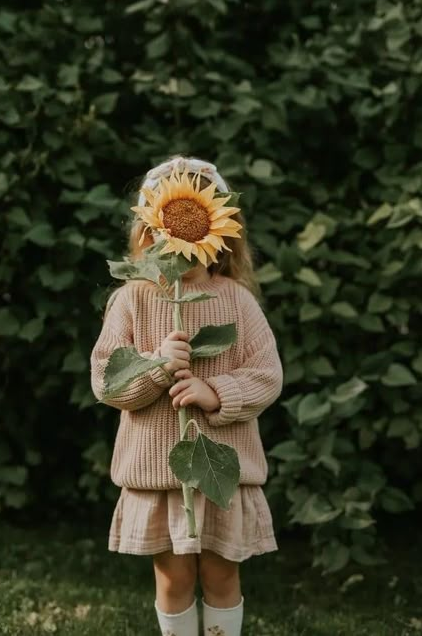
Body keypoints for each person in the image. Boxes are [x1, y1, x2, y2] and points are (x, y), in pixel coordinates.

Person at [90, 155, 284, 636]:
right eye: (166, 221)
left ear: (218, 229)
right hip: (158, 475)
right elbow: (106, 382)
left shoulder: (236, 300)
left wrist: (215, 391)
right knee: (173, 578)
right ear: (148, 229)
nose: (178, 235)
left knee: (222, 573)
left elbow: (266, 374)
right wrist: (157, 367)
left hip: (222, 473)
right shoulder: (132, 299)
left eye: (194, 221)